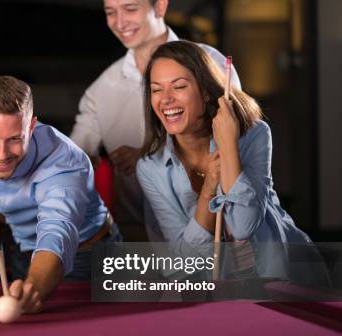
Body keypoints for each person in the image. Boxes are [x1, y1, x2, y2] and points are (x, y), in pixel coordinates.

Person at [136, 40, 329, 286]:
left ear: (206, 92)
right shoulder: (150, 168)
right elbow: (183, 262)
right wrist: (208, 190)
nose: (166, 99)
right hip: (216, 291)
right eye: (156, 90)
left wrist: (227, 146)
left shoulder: (254, 134)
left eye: (179, 86)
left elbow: (243, 227)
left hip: (285, 280)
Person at [70, 0, 240, 241]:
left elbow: (234, 139)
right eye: (110, 12)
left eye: (130, 9)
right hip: (141, 242)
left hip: (224, 232)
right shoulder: (100, 91)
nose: (119, 22)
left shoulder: (211, 62)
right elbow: (71, 158)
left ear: (160, 7)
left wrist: (147, 153)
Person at [0, 75, 119, 312]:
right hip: (22, 249)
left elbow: (57, 233)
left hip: (87, 255)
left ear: (31, 127)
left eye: (14, 139)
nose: (1, 154)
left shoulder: (66, 164)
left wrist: (34, 286)